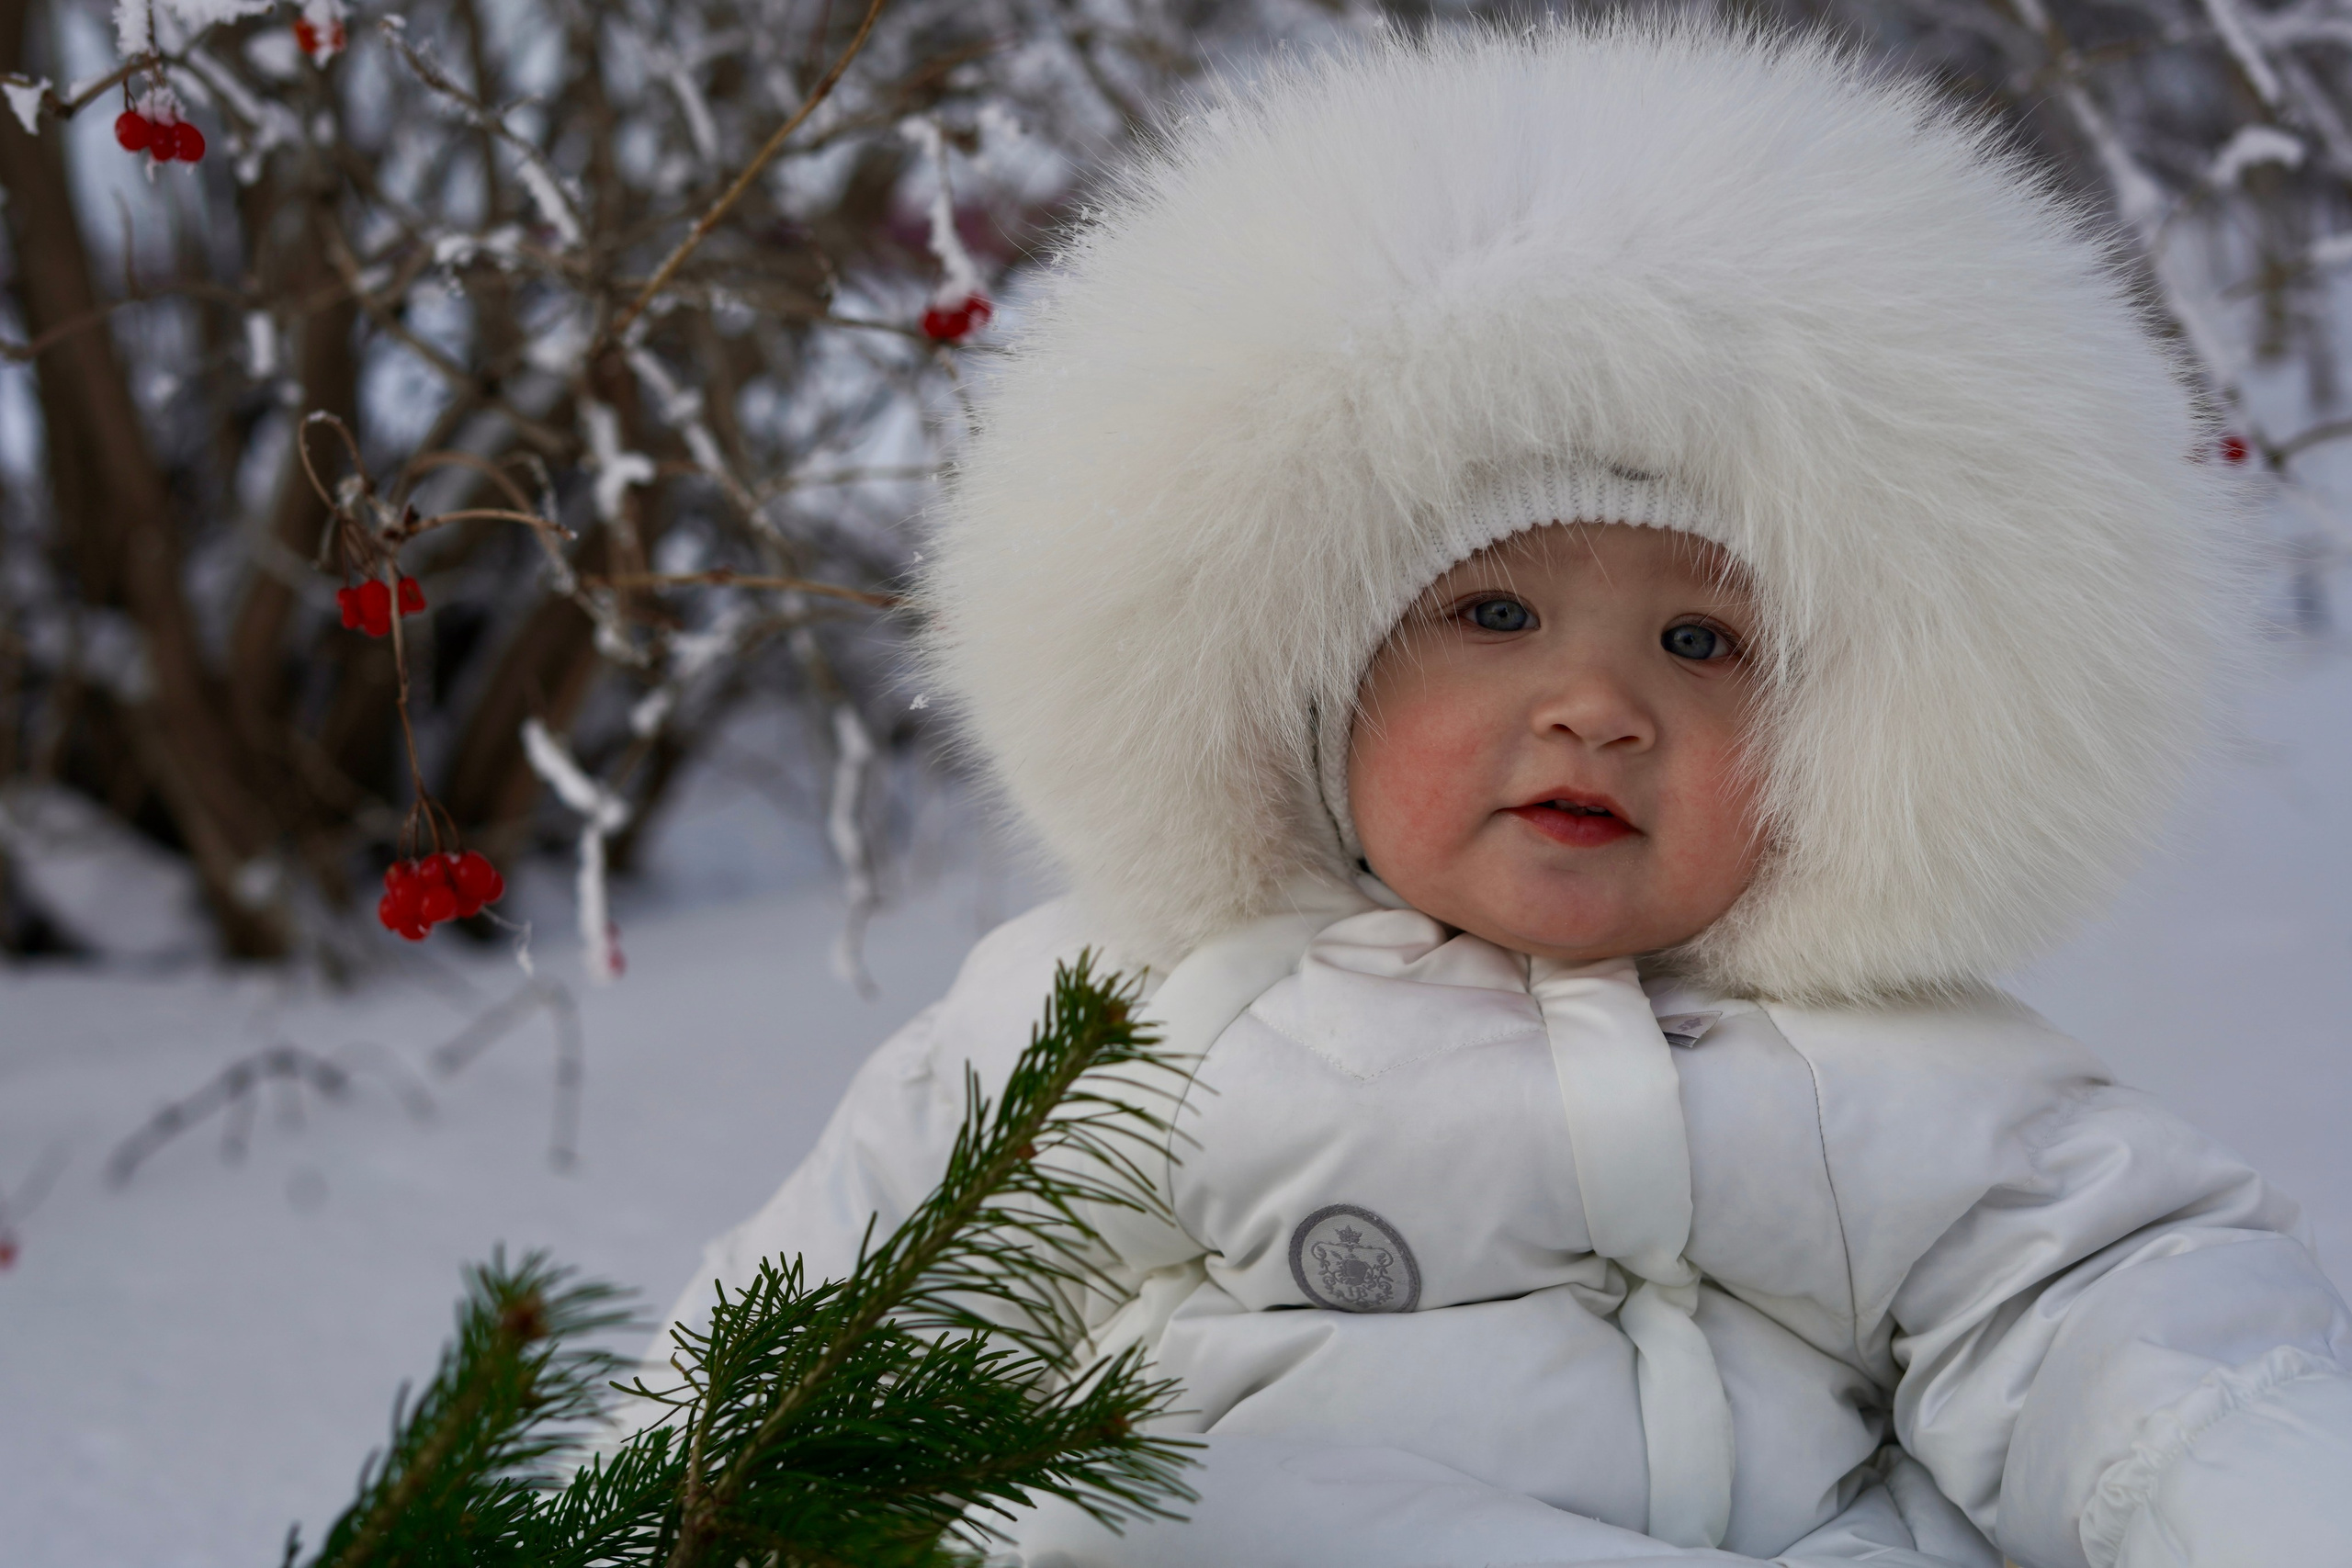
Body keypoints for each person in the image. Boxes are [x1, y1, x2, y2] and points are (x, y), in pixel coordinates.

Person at [655, 19, 2352, 1565]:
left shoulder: (1898, 1081)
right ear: (1318, 675)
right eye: (1495, 613)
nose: (1601, 707)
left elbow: (2138, 1339)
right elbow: (824, 1336)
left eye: (1704, 640)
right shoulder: (1123, 1025)